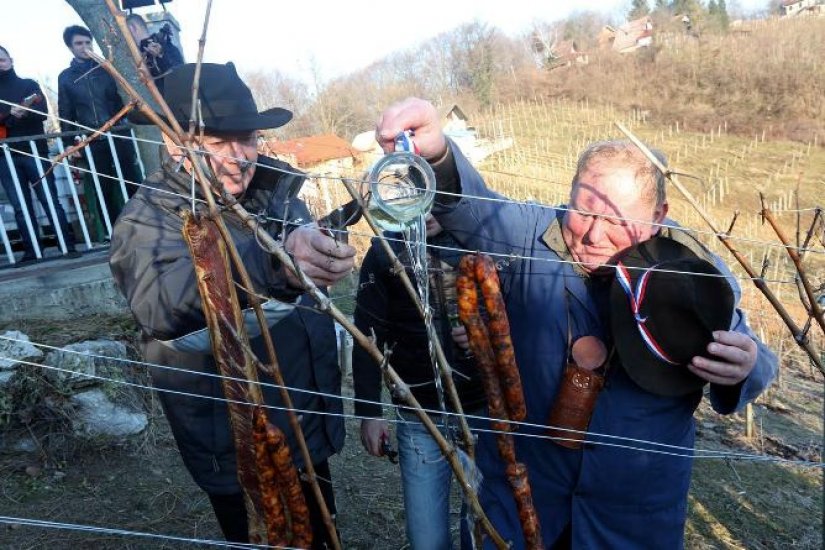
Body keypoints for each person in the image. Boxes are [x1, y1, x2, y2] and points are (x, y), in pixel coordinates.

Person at [375, 98, 777, 548]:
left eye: (616, 220)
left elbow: (753, 355)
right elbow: (473, 208)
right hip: (523, 505)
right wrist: (437, 153)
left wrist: (747, 366)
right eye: (582, 210)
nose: (592, 234)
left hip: (630, 522)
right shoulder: (531, 235)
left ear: (657, 217)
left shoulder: (690, 274)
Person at [109, 62, 357, 547]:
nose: (240, 156)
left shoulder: (276, 192)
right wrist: (273, 263)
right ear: (176, 145)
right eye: (220, 143)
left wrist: (317, 250)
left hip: (304, 416)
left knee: (322, 532)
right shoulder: (147, 222)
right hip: (236, 437)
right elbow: (165, 308)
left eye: (247, 139)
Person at [353, 214, 486, 549]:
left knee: (482, 530)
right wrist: (369, 411)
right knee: (426, 540)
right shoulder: (385, 251)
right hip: (420, 417)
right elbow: (366, 333)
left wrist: (484, 335)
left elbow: (519, 311)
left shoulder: (486, 240)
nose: (427, 213)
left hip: (486, 413)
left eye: (438, 200)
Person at [0, 45, 79, 266]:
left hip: (35, 151)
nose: (0, 64)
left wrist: (19, 113)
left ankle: (67, 244)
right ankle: (32, 250)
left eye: (2, 60)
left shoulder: (28, 85)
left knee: (50, 199)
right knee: (19, 205)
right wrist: (8, 116)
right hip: (5, 157)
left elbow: (42, 112)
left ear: (11, 60)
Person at [58, 25, 141, 233]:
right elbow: (65, 111)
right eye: (79, 43)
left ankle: (143, 226)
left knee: (132, 181)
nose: (84, 47)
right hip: (92, 139)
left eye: (87, 42)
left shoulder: (107, 69)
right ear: (69, 47)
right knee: (102, 187)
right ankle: (115, 232)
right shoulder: (65, 77)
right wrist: (69, 143)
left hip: (119, 134)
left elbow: (122, 100)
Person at [125, 14, 184, 88]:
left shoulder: (168, 48)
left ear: (132, 28)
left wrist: (161, 57)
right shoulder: (171, 48)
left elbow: (180, 79)